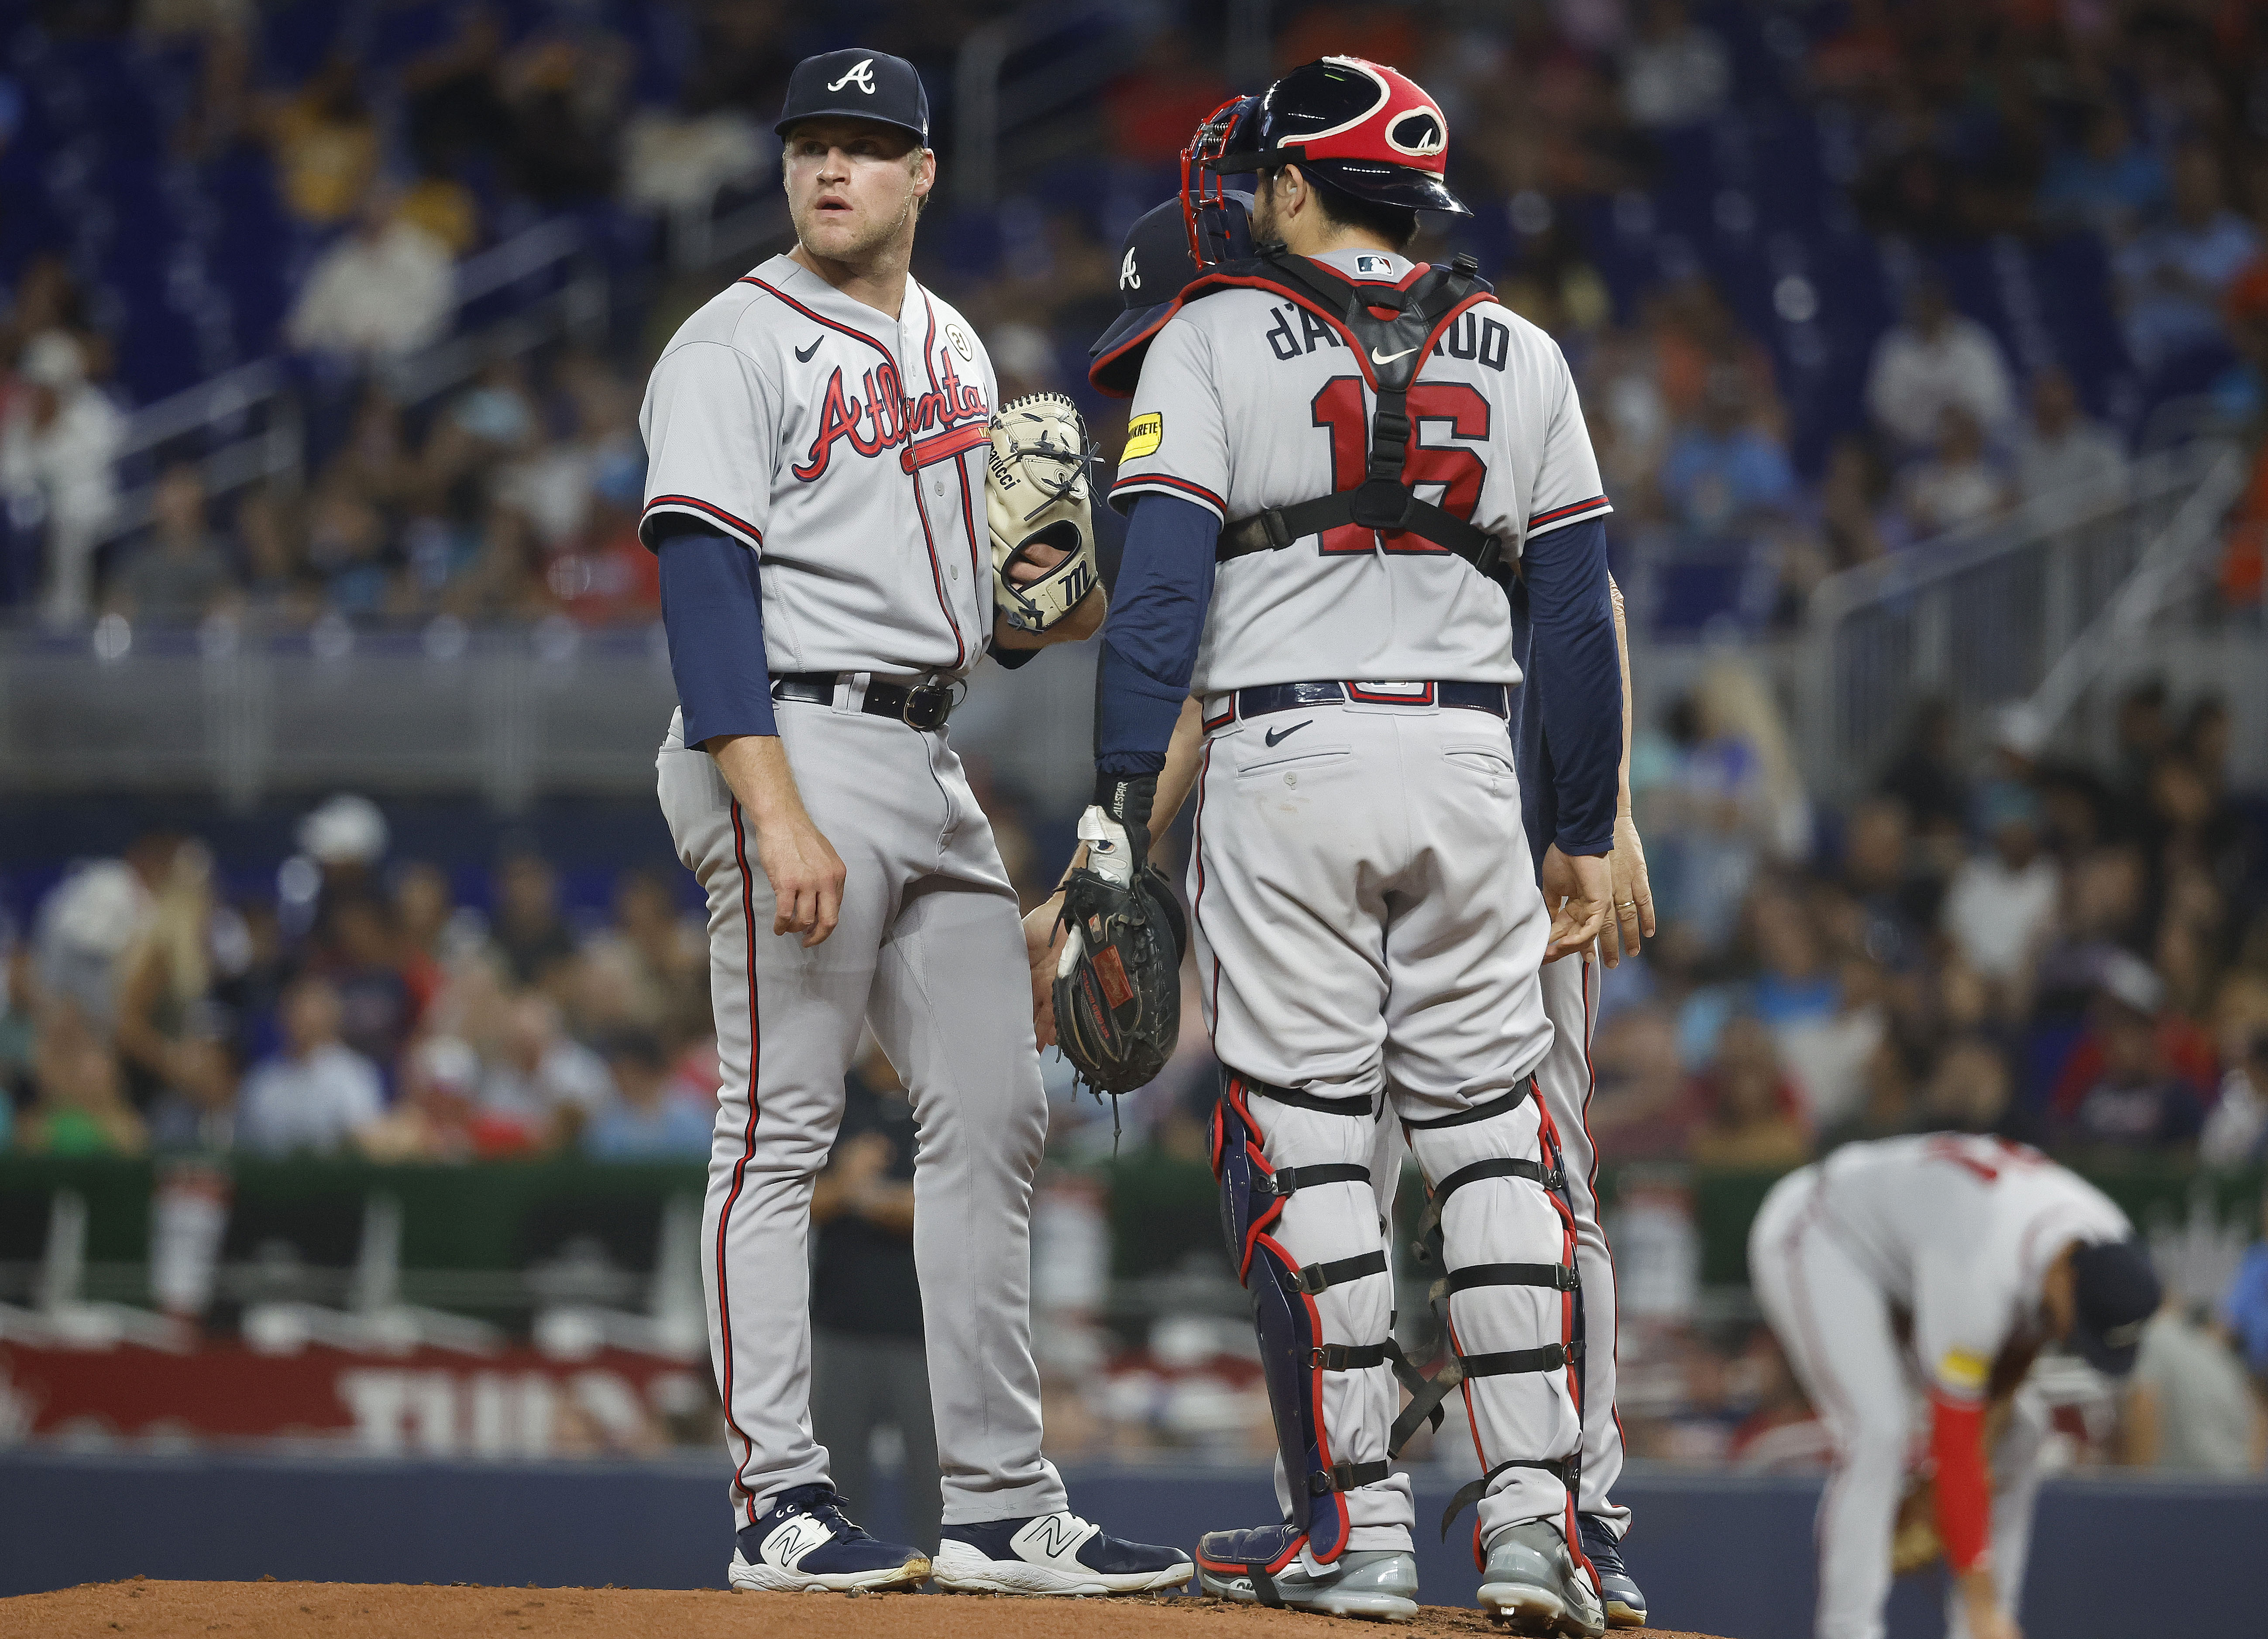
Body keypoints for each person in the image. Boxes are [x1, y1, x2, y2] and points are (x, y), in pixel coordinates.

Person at [1061, 57, 1625, 1630]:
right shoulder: (1524, 351)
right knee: (1491, 1137)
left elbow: (1161, 596)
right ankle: (1537, 1520)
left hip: (1286, 755)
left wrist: (1114, 808)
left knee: (1308, 1143)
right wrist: (1576, 823)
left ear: (1298, 184)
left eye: (1261, 173)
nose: (1244, 193)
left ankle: (1358, 1526)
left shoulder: (1211, 329)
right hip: (1464, 757)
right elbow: (1572, 617)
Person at [638, 48, 1185, 1599]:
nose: (833, 169)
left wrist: (1050, 599)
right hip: (786, 734)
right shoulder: (727, 345)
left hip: (927, 748)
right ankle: (777, 1502)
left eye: (868, 148)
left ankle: (1003, 1501)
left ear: (924, 173)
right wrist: (770, 803)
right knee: (777, 1123)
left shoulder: (953, 345)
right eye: (812, 144)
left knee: (997, 1107)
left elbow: (1002, 622)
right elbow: (700, 584)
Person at [1749, 1134, 2161, 1639]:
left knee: (2024, 1428)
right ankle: (1852, 1629)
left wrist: (1963, 1484)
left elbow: (2026, 1342)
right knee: (1880, 1432)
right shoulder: (1980, 1268)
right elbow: (1955, 1441)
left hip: (1912, 1253)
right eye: (2081, 1329)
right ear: (2064, 1279)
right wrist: (1957, 1519)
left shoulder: (2105, 1242)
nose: (2076, 1342)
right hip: (1823, 1228)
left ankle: (1983, 1627)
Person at [808, 1042, 937, 1554]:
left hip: (923, 1332)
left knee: (939, 1490)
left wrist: (868, 1195)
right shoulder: (834, 1095)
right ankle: (842, 1609)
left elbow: (940, 1207)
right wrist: (846, 1184)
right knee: (837, 1489)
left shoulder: (936, 1094)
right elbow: (799, 1199)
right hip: (842, 1327)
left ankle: (952, 1610)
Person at [235, 975, 385, 1157]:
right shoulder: (262, 1079)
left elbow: (365, 1140)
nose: (299, 1019)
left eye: (309, 1012)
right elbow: (246, 1145)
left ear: (331, 1016)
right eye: (293, 1010)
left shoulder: (354, 1074)